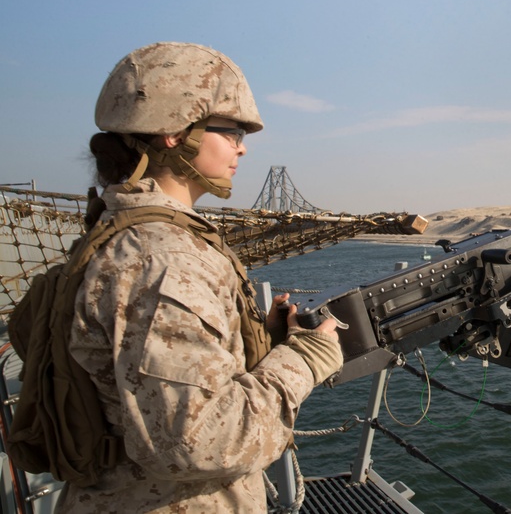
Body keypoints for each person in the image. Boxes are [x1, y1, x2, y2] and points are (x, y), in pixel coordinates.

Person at [61, 42, 343, 512]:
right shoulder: (165, 257)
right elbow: (200, 442)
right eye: (231, 131)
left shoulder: (121, 232)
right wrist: (306, 359)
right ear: (175, 133)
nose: (242, 146)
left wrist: (257, 340)